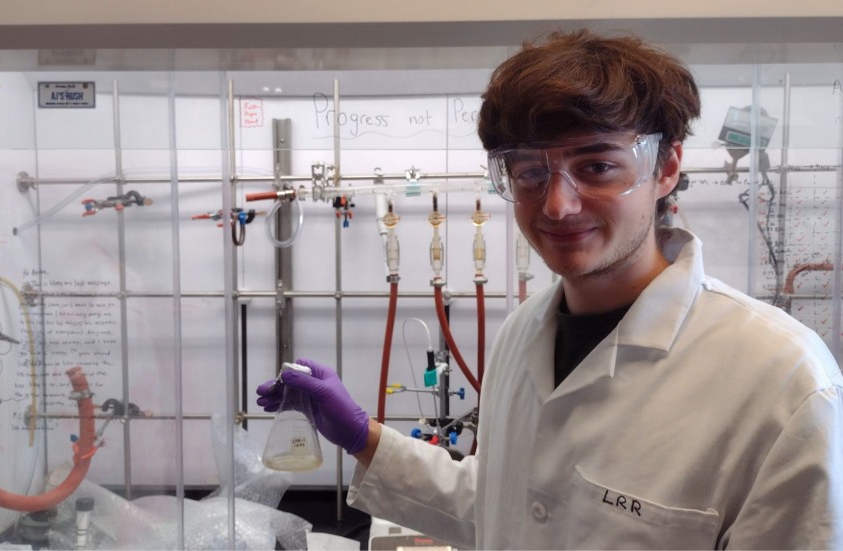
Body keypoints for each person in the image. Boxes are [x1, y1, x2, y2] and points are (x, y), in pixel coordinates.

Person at [257, 29, 843, 549]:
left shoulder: (782, 383)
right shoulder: (523, 333)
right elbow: (503, 508)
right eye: (531, 173)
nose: (558, 205)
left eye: (596, 167)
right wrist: (363, 437)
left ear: (665, 169)